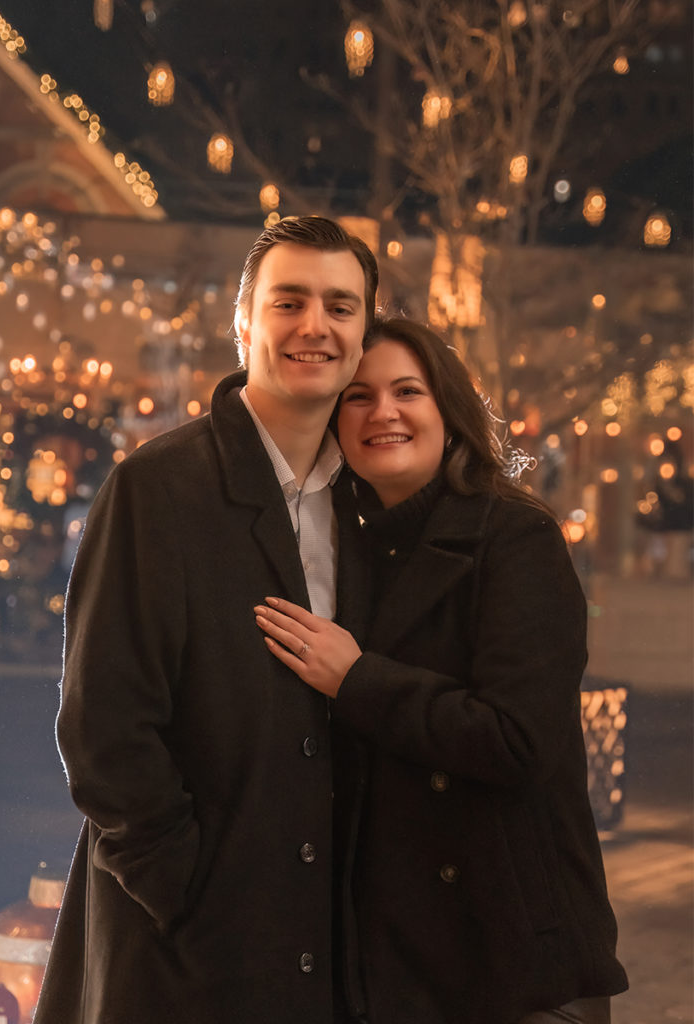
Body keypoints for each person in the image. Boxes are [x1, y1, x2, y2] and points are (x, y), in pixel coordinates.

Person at [34, 216, 378, 1024]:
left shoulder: (370, 506)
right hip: (181, 947)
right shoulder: (155, 490)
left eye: (341, 305)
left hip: (326, 944)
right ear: (244, 324)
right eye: (288, 301)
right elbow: (104, 731)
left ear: (366, 333)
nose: (315, 325)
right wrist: (181, 887)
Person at [255, 318, 629, 1024]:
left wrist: (358, 679)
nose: (383, 413)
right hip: (388, 963)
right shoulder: (347, 554)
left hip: (510, 965)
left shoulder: (516, 538)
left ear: (447, 410)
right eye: (358, 397)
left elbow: (517, 739)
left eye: (407, 391)